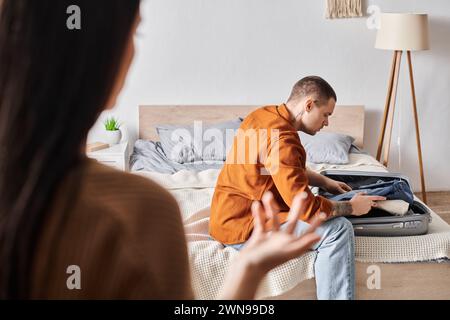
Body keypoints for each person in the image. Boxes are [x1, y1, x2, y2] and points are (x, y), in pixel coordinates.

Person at [0, 0, 324, 299]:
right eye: (135, 31)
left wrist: (321, 181)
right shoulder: (144, 211)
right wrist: (249, 269)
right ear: (104, 54)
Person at [209, 76, 386, 300]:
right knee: (339, 229)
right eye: (326, 115)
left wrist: (324, 181)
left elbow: (278, 169)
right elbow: (306, 210)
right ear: (309, 105)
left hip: (224, 219)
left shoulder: (262, 115)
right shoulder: (284, 140)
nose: (327, 123)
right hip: (245, 229)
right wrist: (351, 207)